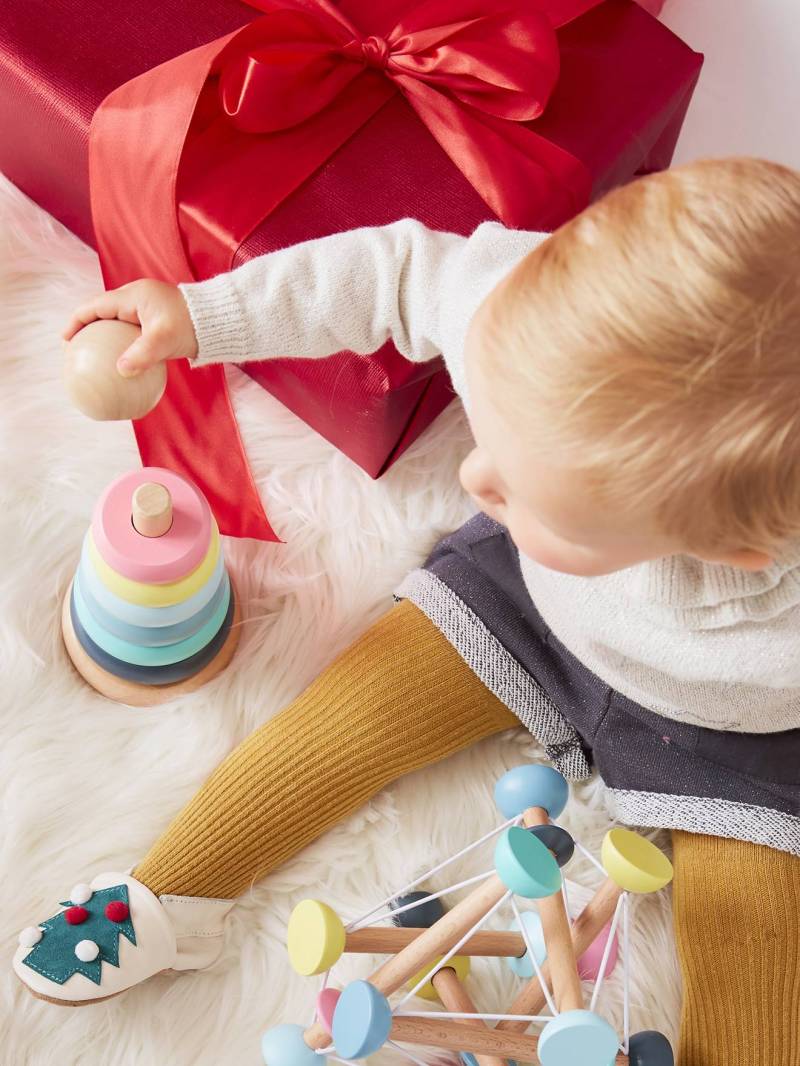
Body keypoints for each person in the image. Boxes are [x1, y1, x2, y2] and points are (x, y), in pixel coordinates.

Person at [14, 157, 800, 1065]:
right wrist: (201, 316)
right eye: (490, 436)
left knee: (755, 956)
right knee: (345, 714)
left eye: (526, 494)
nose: (473, 477)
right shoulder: (533, 308)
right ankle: (171, 895)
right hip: (532, 611)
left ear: (727, 552)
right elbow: (393, 271)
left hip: (736, 742)